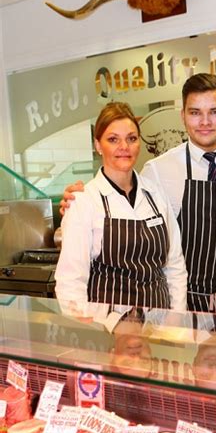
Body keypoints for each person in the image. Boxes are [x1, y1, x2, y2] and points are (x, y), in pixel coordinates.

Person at [60, 74, 216, 318]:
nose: (205, 121)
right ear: (183, 116)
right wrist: (75, 202)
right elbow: (123, 200)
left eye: (214, 111)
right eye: (195, 112)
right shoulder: (157, 170)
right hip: (185, 299)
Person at [55, 102, 187, 312]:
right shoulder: (83, 201)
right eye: (113, 139)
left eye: (131, 139)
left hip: (159, 324)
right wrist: (86, 332)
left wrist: (176, 318)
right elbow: (71, 282)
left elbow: (174, 265)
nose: (124, 147)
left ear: (139, 144)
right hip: (109, 329)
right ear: (98, 145)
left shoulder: (156, 194)